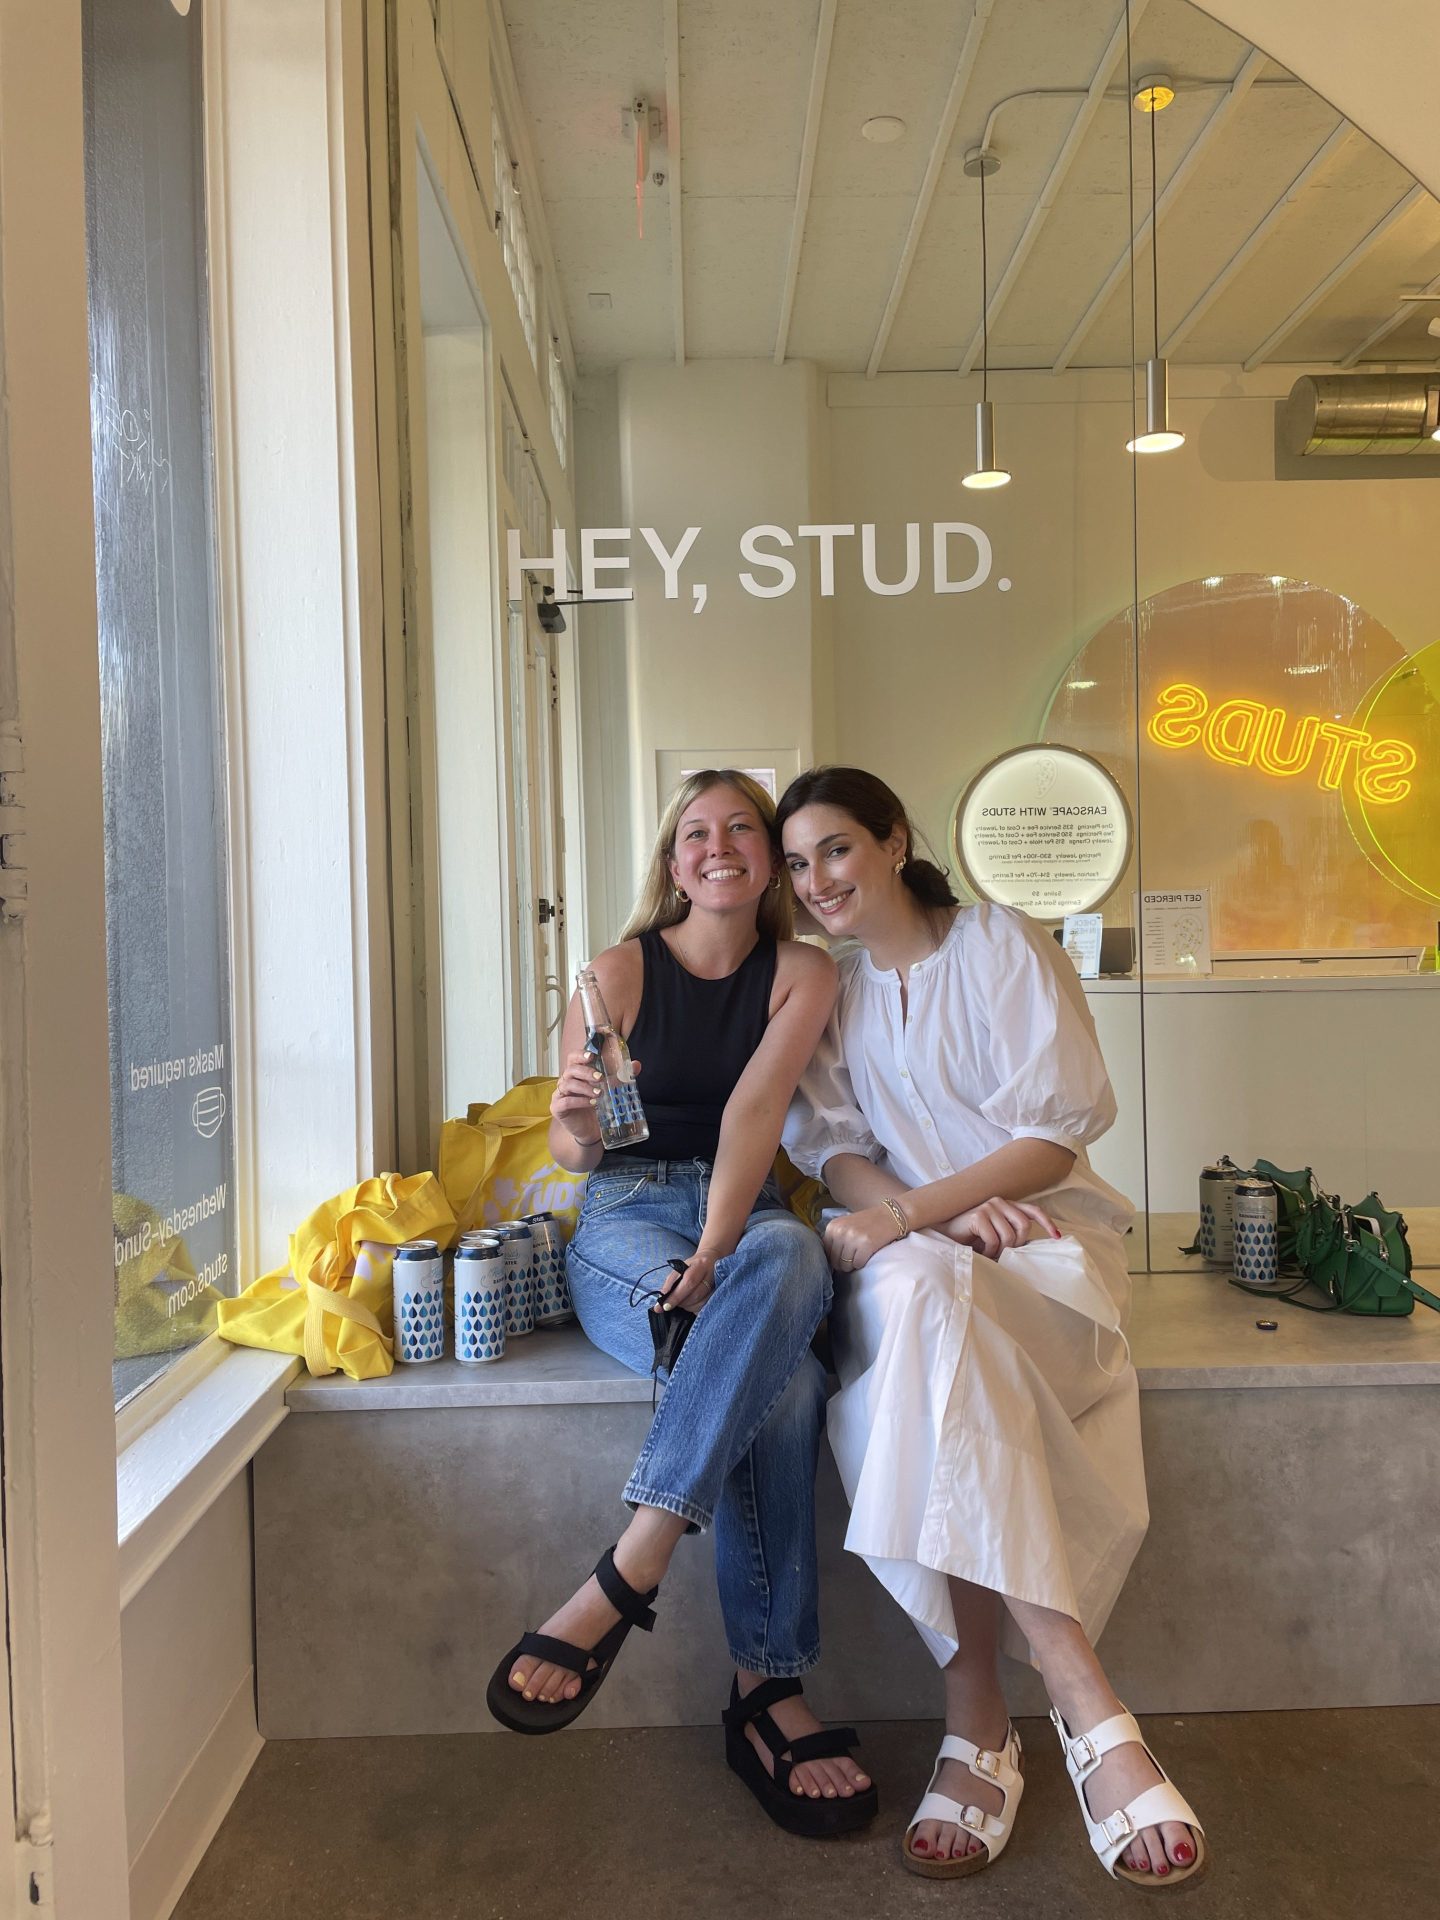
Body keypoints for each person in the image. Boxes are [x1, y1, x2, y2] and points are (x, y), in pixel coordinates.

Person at [777, 766, 1205, 1889]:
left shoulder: (999, 944)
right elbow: (835, 1150)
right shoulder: (837, 992)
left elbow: (1055, 1135)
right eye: (797, 863)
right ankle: (1079, 1693)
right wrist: (926, 1219)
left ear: (891, 840)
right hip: (912, 1260)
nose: (816, 879)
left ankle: (981, 1719)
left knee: (935, 1317)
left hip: (1043, 1252)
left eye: (833, 849)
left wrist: (933, 1211)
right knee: (923, 1296)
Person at [487, 769, 878, 1839]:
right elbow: (581, 1150)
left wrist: (714, 1249)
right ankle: (769, 1692)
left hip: (738, 1212)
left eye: (742, 829)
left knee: (788, 1250)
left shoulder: (802, 971)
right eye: (697, 833)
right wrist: (572, 1117)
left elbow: (758, 1108)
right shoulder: (614, 972)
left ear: (771, 860)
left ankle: (633, 1562)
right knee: (786, 1375)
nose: (719, 847)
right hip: (624, 1213)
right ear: (673, 864)